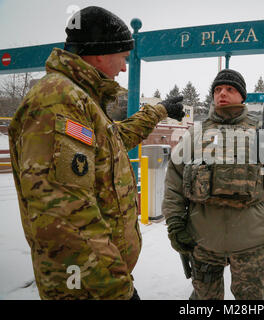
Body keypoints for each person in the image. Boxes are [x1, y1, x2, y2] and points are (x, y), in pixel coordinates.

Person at [8, 6, 185, 300]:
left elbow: (113, 140)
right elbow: (66, 217)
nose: (125, 68)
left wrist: (159, 110)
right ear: (101, 53)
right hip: (84, 286)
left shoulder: (80, 98)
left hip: (94, 279)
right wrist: (116, 290)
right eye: (123, 57)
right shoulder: (58, 101)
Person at [162, 69, 264, 300]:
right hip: (203, 243)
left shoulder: (261, 134)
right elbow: (174, 182)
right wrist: (174, 223)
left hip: (251, 246)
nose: (222, 93)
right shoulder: (196, 134)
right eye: (217, 89)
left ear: (242, 96)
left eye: (230, 89)